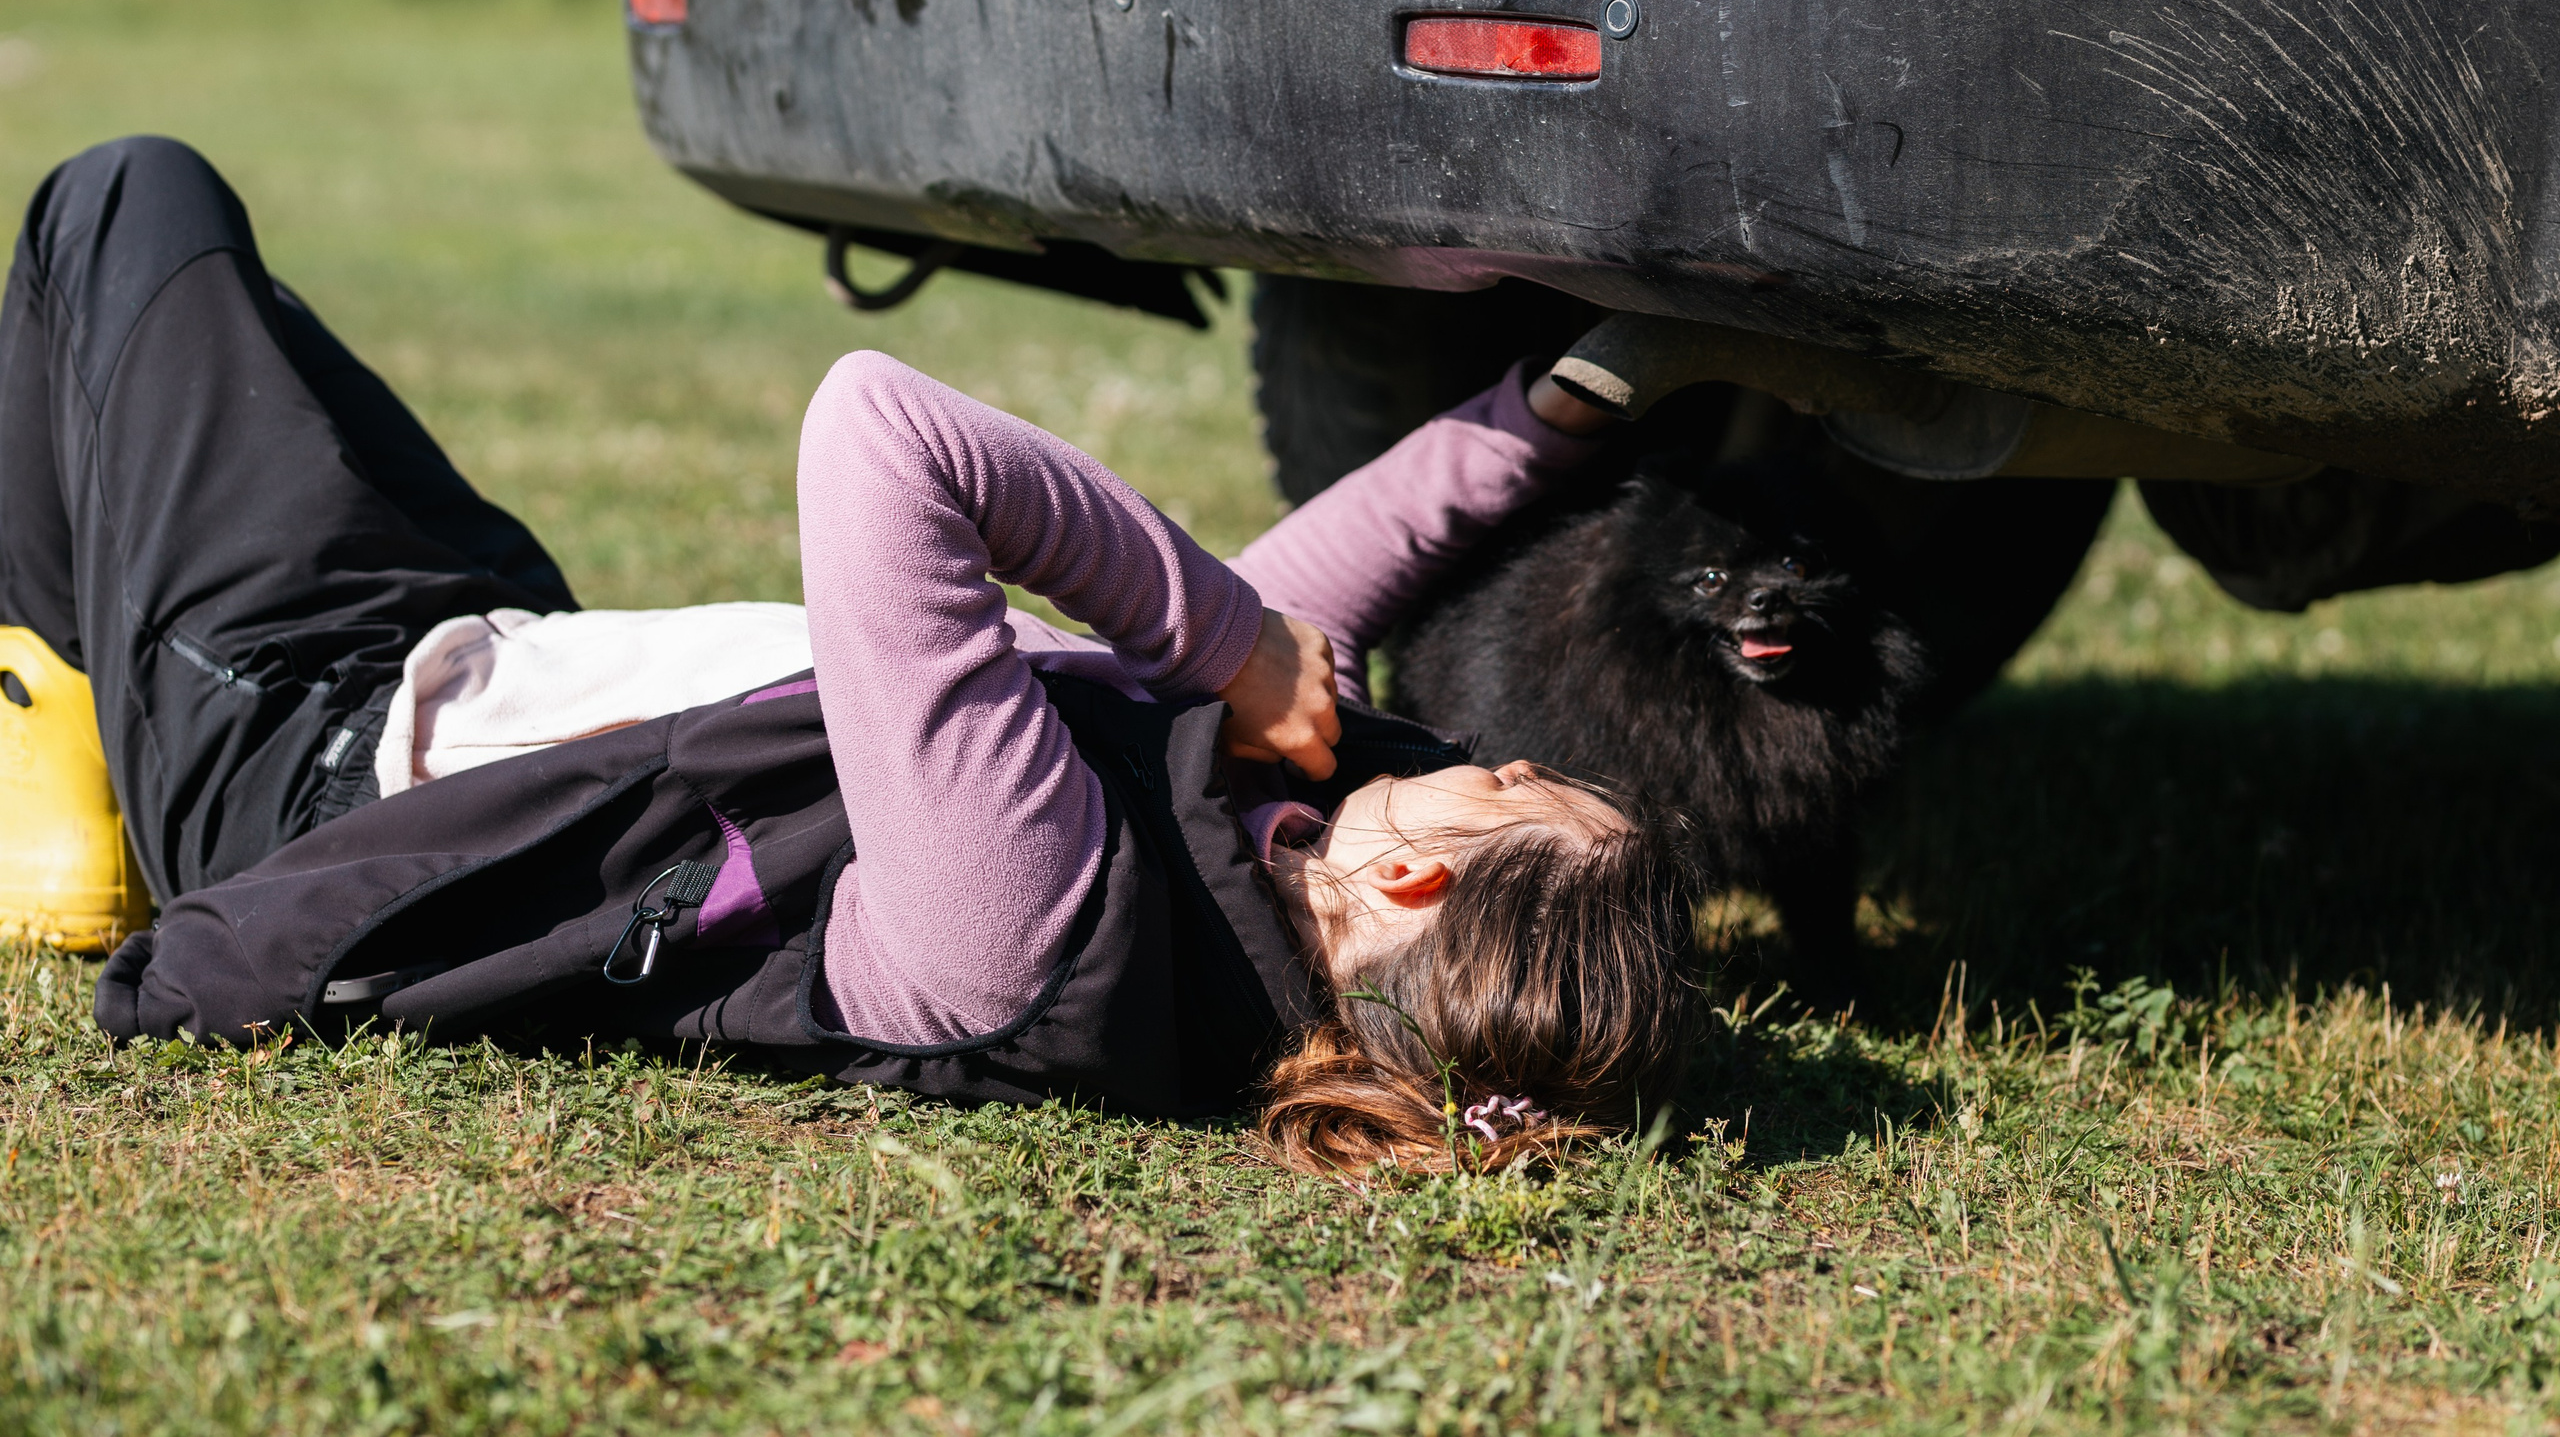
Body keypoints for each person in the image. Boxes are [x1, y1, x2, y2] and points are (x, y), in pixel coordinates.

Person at [21, 138, 1699, 1172]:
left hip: (324, 752)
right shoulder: (1231, 921)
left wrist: (1229, 636)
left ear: (1416, 888)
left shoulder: (1027, 919)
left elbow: (882, 431)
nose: (1493, 755)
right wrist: (1577, 399)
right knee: (236, 333)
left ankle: (49, 759)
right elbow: (1291, 639)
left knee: (126, 207)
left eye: (1530, 787)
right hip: (504, 658)